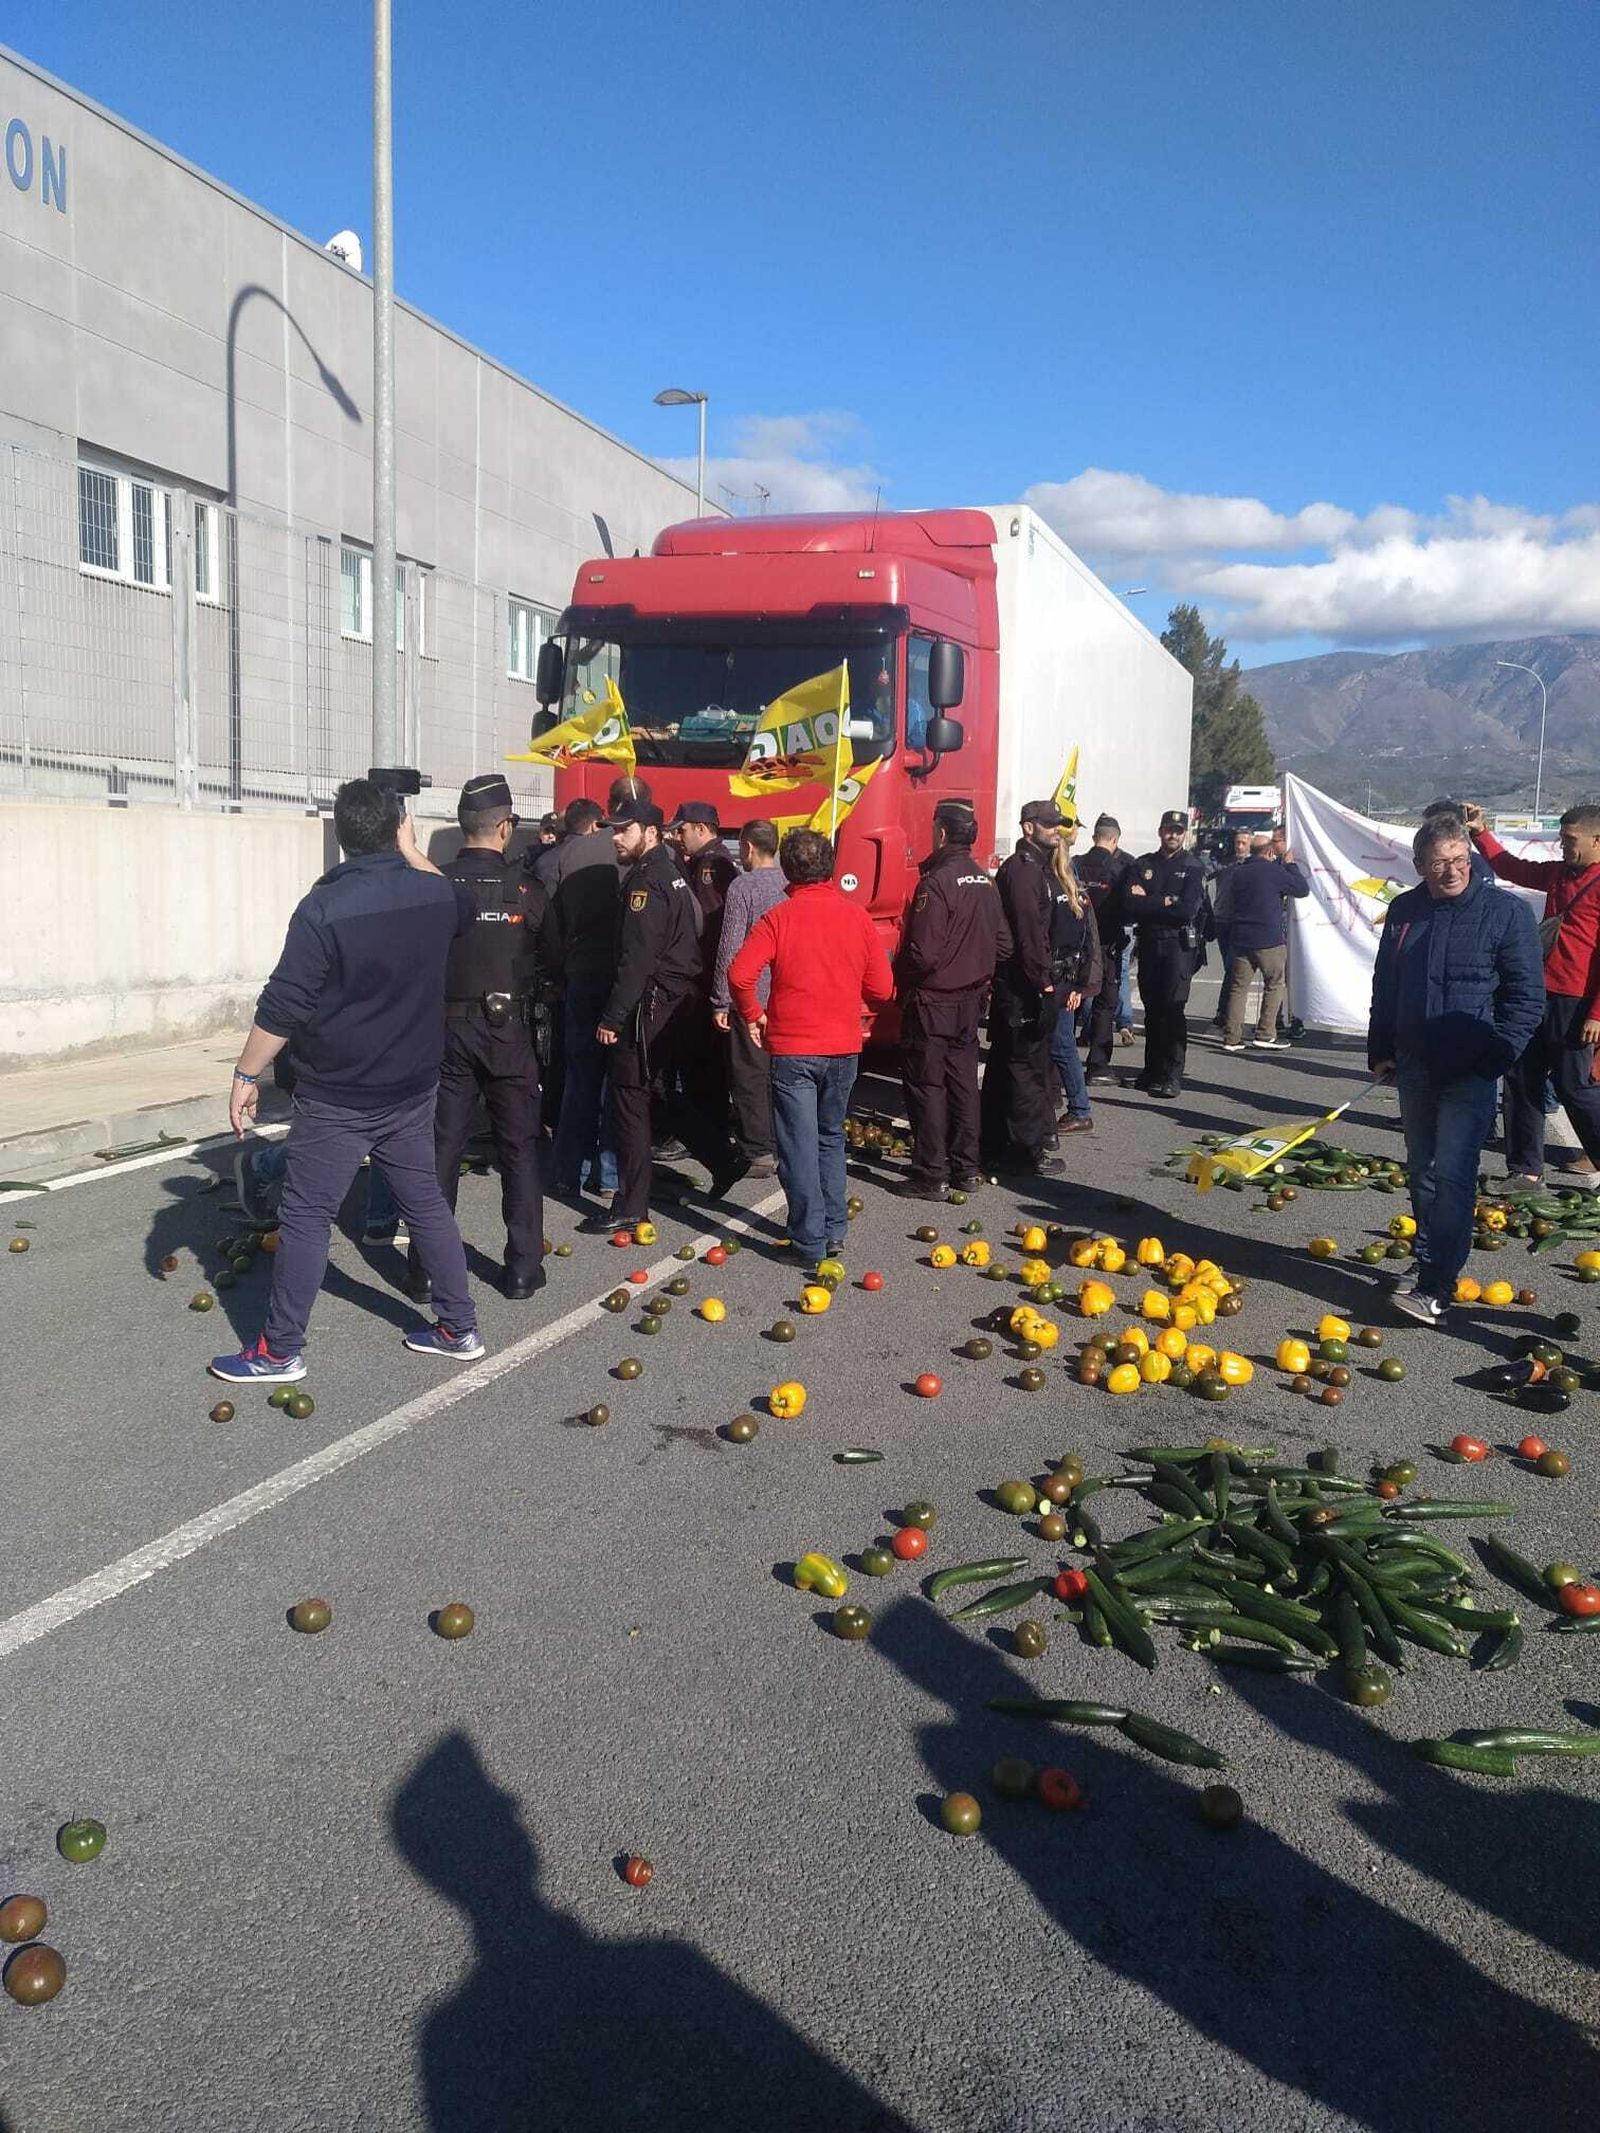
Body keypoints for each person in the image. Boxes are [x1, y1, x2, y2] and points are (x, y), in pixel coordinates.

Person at [208, 779, 484, 1382]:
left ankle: (280, 1350)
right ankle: (458, 1327)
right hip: (412, 1086)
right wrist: (411, 850)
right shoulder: (434, 895)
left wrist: (245, 1072)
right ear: (399, 828)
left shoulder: (324, 907)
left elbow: (282, 1005)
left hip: (340, 1093)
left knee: (306, 1215)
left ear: (340, 836)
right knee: (425, 1205)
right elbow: (457, 904)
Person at [1368, 814, 1544, 1327]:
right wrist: (1380, 1047)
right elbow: (1387, 987)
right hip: (1415, 1066)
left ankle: (1438, 1284)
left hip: (1471, 1068)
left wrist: (1497, 1056)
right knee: (1420, 1168)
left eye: (1460, 860)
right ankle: (1429, 1260)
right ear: (1420, 866)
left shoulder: (1506, 914)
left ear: (1472, 858)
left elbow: (1526, 998)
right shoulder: (1404, 911)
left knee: (1454, 1172)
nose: (1451, 871)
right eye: (1439, 863)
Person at [404, 774, 548, 1304]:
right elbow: (552, 957)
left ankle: (423, 1269)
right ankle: (522, 1269)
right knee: (519, 1150)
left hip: (448, 1029)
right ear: (505, 827)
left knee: (441, 1149)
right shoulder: (526, 889)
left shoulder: (437, 885)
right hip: (508, 1028)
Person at [728, 828, 894, 1268]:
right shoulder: (855, 917)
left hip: (793, 1047)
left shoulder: (779, 918)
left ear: (788, 868)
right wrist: (852, 999)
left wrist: (752, 1013)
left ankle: (808, 1236)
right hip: (842, 1045)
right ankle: (834, 1227)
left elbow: (740, 974)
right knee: (829, 1137)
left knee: (797, 1144)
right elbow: (883, 987)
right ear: (831, 866)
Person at [596, 797, 746, 1232]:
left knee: (629, 1100)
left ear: (649, 832)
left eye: (623, 830)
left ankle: (630, 1203)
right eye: (612, 829)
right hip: (672, 1001)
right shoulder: (671, 872)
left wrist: (612, 1016)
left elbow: (636, 958)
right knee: (656, 1094)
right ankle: (724, 1158)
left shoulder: (648, 881)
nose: (615, 838)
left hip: (649, 1006)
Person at [1465, 798, 1600, 1189]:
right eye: (1561, 837)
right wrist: (1481, 833)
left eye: (1570, 839)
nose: (1563, 845)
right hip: (1534, 994)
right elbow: (1514, 869)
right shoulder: (1560, 873)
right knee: (1521, 1078)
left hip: (1576, 1002)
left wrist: (1597, 1012)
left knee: (1575, 1088)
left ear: (1596, 840)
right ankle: (1525, 1170)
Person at [893, 798, 1013, 1199]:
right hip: (970, 999)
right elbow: (1003, 946)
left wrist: (902, 977)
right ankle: (967, 1167)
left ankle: (931, 1171)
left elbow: (922, 953)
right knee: (963, 1083)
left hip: (933, 1001)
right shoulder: (986, 882)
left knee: (927, 1085)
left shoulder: (937, 883)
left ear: (941, 833)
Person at [981, 801, 1067, 1176]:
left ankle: (994, 1143)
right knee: (1025, 1070)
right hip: (1022, 987)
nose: (1055, 831)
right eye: (1047, 825)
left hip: (1020, 984)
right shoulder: (1023, 872)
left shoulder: (1037, 869)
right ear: (1028, 827)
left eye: (1057, 825)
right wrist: (1043, 984)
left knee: (1007, 1067)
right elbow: (1029, 933)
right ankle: (1025, 1151)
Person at [546, 797, 620, 1200]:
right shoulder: (627, 853)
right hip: (620, 976)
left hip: (579, 973)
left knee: (579, 1077)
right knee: (615, 1079)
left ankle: (568, 1171)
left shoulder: (563, 855)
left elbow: (549, 926)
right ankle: (608, 1175)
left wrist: (558, 973)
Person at [712, 820, 786, 1179]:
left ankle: (758, 1148)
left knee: (749, 1072)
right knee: (780, 1073)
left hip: (751, 994)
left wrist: (720, 999)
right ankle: (783, 1139)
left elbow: (731, 946)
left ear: (748, 848)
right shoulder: (792, 884)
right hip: (785, 994)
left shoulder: (743, 886)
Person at [1125, 810, 1206, 1099]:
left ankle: (1172, 1075)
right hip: (1149, 943)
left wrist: (1149, 899)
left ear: (1184, 834)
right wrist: (1165, 901)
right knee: (1152, 1010)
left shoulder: (1193, 867)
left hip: (1177, 947)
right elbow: (1130, 906)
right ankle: (1151, 1071)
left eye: (1178, 830)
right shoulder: (1145, 863)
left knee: (1172, 1010)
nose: (1173, 835)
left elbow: (1186, 910)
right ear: (1160, 832)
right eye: (1168, 830)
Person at [1220, 833, 1309, 1053]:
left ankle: (1231, 1037)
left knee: (1238, 988)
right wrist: (1290, 865)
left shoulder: (1238, 872)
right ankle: (1265, 1033)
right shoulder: (1274, 871)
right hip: (1269, 939)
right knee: (1274, 984)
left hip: (1242, 938)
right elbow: (1301, 889)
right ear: (1269, 852)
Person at [1047, 807, 1102, 1133]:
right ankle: (1064, 1102)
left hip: (1064, 982)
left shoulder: (1071, 892)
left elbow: (1085, 944)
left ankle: (1080, 1108)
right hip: (1067, 981)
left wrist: (1079, 988)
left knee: (1062, 1045)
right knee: (1058, 1045)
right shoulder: (1070, 888)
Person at [1077, 813, 1136, 1082]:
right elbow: (1130, 909)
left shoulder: (1075, 865)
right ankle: (1098, 1065)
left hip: (1078, 944)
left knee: (1072, 1001)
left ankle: (1058, 1065)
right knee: (1104, 1004)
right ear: (1115, 839)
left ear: (1094, 837)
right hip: (1108, 944)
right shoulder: (1121, 870)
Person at [1208, 829, 1254, 1031]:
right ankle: (1224, 1011)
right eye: (1237, 842)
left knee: (1233, 966)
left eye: (1244, 843)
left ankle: (1224, 1011)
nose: (1240, 846)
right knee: (1230, 968)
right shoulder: (1224, 863)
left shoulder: (1254, 865)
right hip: (1222, 920)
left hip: (1240, 922)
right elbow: (1203, 871)